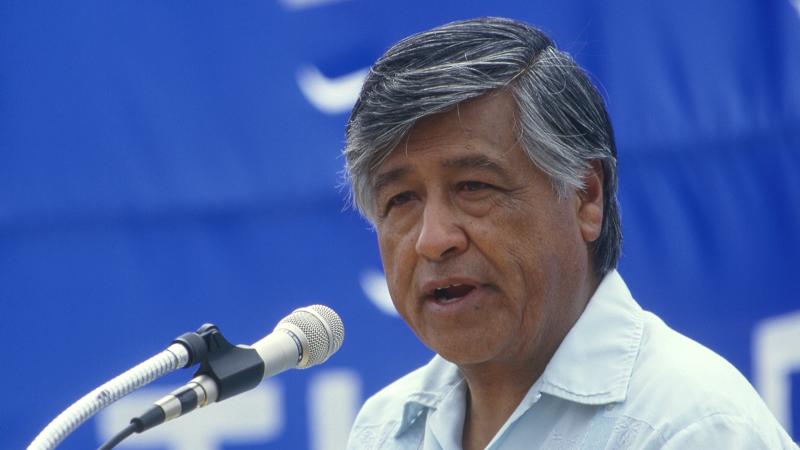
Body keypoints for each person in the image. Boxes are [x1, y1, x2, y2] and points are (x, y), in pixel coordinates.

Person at [342, 17, 796, 449]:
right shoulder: (385, 428)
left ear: (585, 197)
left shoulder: (688, 429)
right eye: (401, 199)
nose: (433, 239)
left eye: (473, 187)